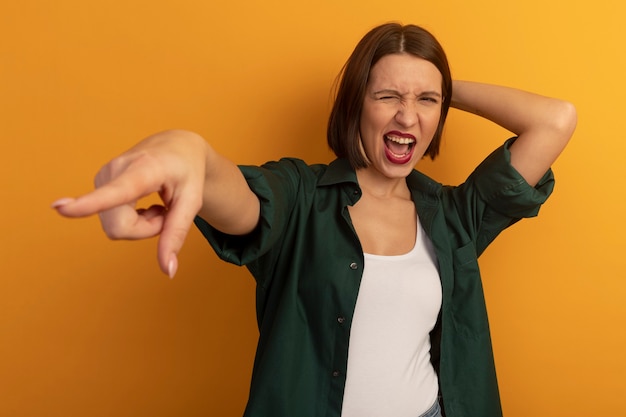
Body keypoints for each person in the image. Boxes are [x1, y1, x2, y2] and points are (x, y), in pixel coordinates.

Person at [52, 23, 577, 417]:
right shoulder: (302, 196)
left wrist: (432, 82)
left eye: (425, 102)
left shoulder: (453, 215)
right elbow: (236, 194)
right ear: (356, 104)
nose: (407, 117)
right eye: (387, 95)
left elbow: (556, 120)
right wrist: (187, 151)